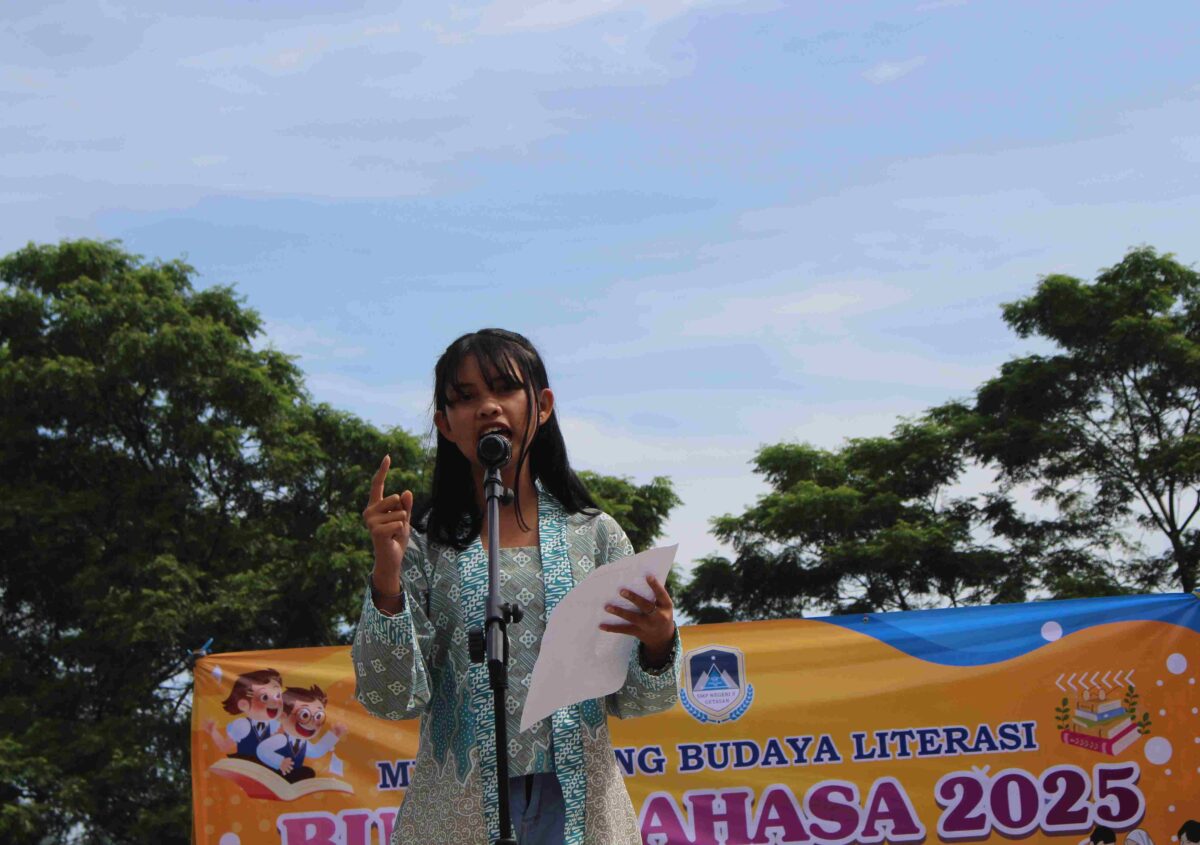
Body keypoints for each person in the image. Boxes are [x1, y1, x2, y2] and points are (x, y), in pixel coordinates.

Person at [352, 329, 681, 845]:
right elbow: (390, 699)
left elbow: (639, 702)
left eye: (505, 388)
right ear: (445, 423)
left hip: (579, 807)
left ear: (542, 406)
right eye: (465, 397)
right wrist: (387, 576)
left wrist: (658, 642)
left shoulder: (595, 535)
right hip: (458, 809)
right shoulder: (421, 543)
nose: (487, 407)